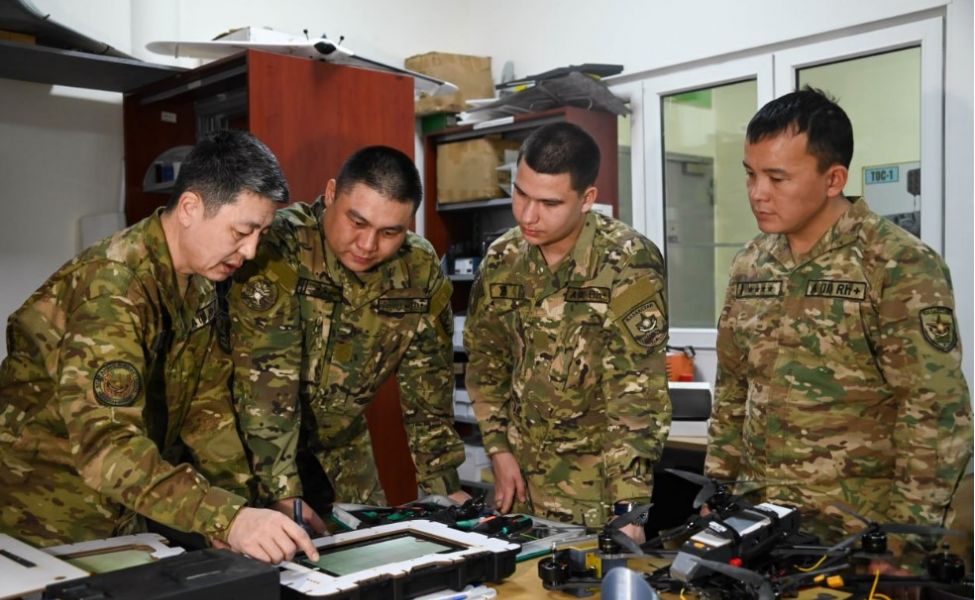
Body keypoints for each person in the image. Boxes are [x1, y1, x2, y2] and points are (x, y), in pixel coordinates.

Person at [0, 129, 321, 564]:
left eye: (260, 234)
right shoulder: (112, 288)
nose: (250, 251)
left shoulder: (199, 282)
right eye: (242, 231)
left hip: (124, 512)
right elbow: (106, 445)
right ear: (189, 207)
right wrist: (225, 517)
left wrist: (241, 510)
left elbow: (207, 413)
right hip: (44, 519)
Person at [705, 88, 973, 546]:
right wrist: (718, 489)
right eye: (750, 174)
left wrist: (905, 540)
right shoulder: (751, 263)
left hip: (856, 529)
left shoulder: (896, 263)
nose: (757, 193)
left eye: (777, 178)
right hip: (760, 518)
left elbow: (934, 412)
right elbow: (733, 388)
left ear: (833, 179)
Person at [228, 145, 468, 513]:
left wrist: (444, 488)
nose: (368, 245)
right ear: (330, 194)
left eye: (390, 232)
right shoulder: (278, 246)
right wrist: (282, 494)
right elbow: (264, 387)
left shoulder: (418, 270)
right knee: (271, 540)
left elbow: (429, 394)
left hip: (341, 442)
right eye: (357, 222)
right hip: (251, 444)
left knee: (372, 535)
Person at [463, 122, 672, 541]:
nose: (528, 215)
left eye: (549, 203)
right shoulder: (503, 259)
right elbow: (487, 363)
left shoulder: (627, 261)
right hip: (517, 489)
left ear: (587, 199)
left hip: (595, 494)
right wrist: (498, 448)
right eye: (521, 194)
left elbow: (636, 393)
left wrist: (630, 509)